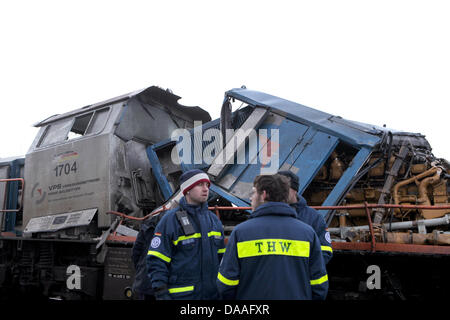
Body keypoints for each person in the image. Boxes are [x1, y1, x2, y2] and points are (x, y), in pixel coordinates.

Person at [217, 174, 328, 300]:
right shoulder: (308, 233)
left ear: (264, 195)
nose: (251, 198)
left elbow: (226, 284)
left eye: (253, 193)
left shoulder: (240, 233)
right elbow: (319, 284)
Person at [147, 169, 226, 300]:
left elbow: (223, 261)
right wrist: (162, 293)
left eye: (207, 185)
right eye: (200, 184)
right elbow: (157, 261)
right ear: (187, 190)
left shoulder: (214, 221)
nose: (206, 189)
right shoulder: (170, 220)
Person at [278, 170, 333, 265]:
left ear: (295, 190)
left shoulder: (314, 217)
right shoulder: (267, 215)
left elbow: (325, 250)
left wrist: (305, 270)